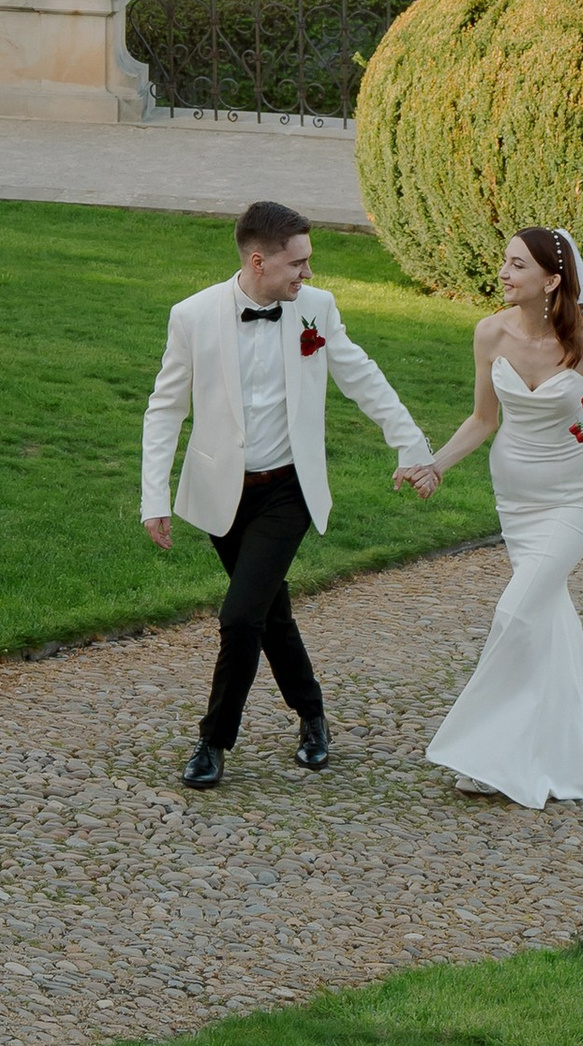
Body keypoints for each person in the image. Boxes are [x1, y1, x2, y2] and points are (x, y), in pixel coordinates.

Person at [141, 195, 435, 789]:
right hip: (222, 495)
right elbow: (165, 407)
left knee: (241, 617)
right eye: (298, 263)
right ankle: (313, 716)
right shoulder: (192, 316)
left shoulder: (315, 311)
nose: (308, 273)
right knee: (270, 615)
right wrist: (155, 496)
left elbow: (361, 375)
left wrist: (411, 445)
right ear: (257, 262)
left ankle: (212, 742)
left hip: (289, 491)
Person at [409, 225, 583, 806]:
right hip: (517, 498)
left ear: (552, 280)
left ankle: (477, 749)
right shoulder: (490, 333)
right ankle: (558, 750)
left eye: (516, 266)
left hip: (576, 496)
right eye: (504, 263)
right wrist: (436, 464)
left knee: (515, 611)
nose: (504, 274)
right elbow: (483, 419)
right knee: (546, 619)